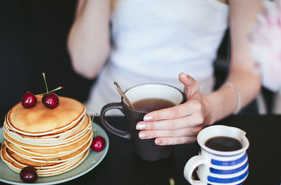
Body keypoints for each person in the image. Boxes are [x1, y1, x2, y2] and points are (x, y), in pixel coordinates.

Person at [67, 0, 262, 146]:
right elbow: (86, 65)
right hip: (107, 115)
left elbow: (247, 71)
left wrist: (208, 109)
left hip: (187, 123)